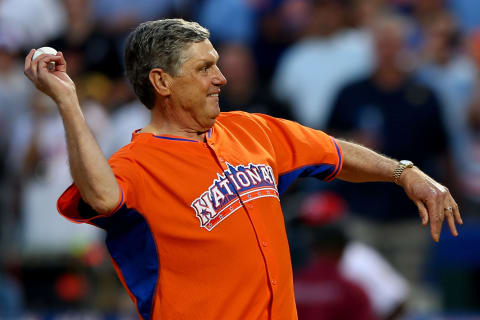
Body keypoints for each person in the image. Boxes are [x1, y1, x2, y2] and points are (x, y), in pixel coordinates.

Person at [24, 18, 462, 320]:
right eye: (205, 68)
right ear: (161, 82)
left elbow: (335, 153)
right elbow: (101, 196)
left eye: (217, 63)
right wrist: (68, 101)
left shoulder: (251, 130)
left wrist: (405, 172)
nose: (222, 78)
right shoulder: (136, 165)